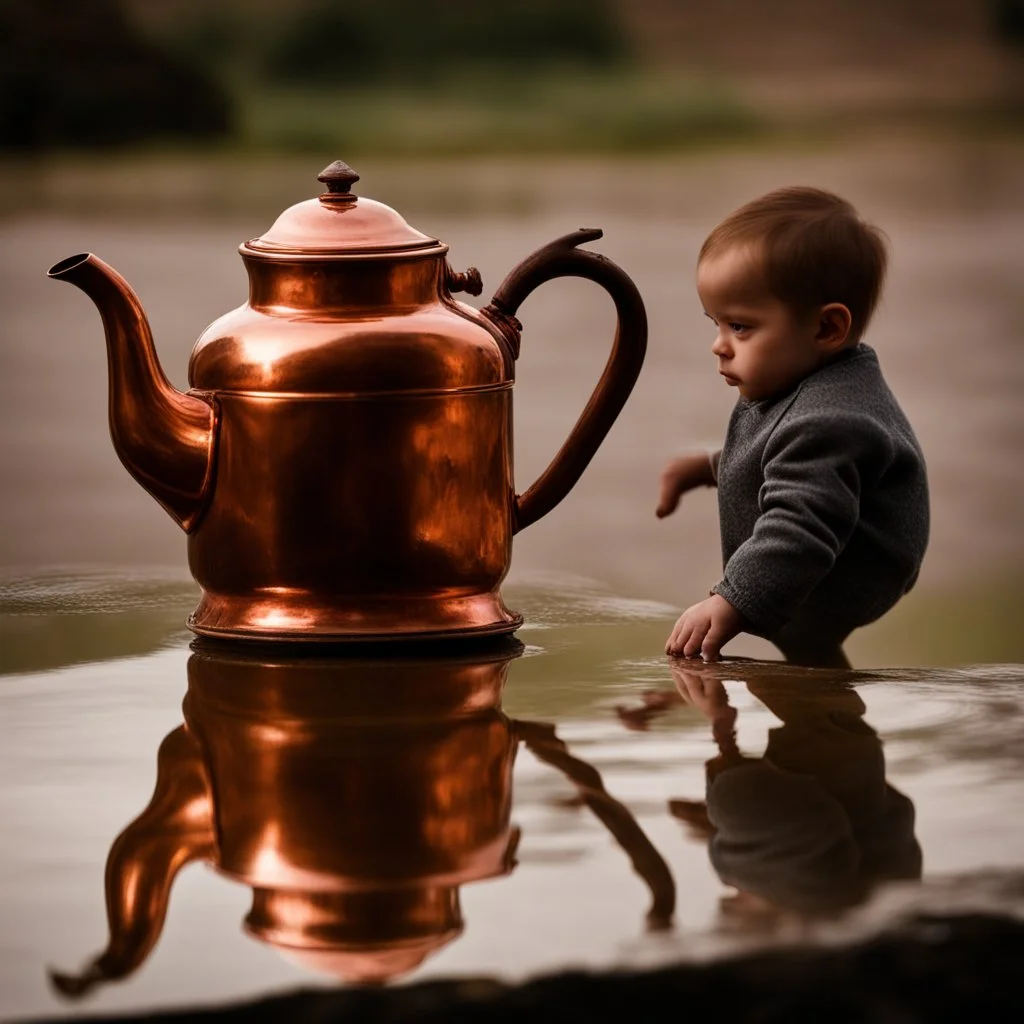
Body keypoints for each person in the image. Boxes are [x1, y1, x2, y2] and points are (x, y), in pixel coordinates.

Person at [657, 187, 929, 667]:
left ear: (826, 329)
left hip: (844, 575)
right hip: (823, 575)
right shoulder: (801, 380)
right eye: (715, 324)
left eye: (741, 326)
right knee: (804, 651)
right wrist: (705, 468)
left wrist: (731, 600)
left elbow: (800, 524)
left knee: (797, 623)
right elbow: (776, 454)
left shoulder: (829, 420)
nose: (719, 346)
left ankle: (819, 713)